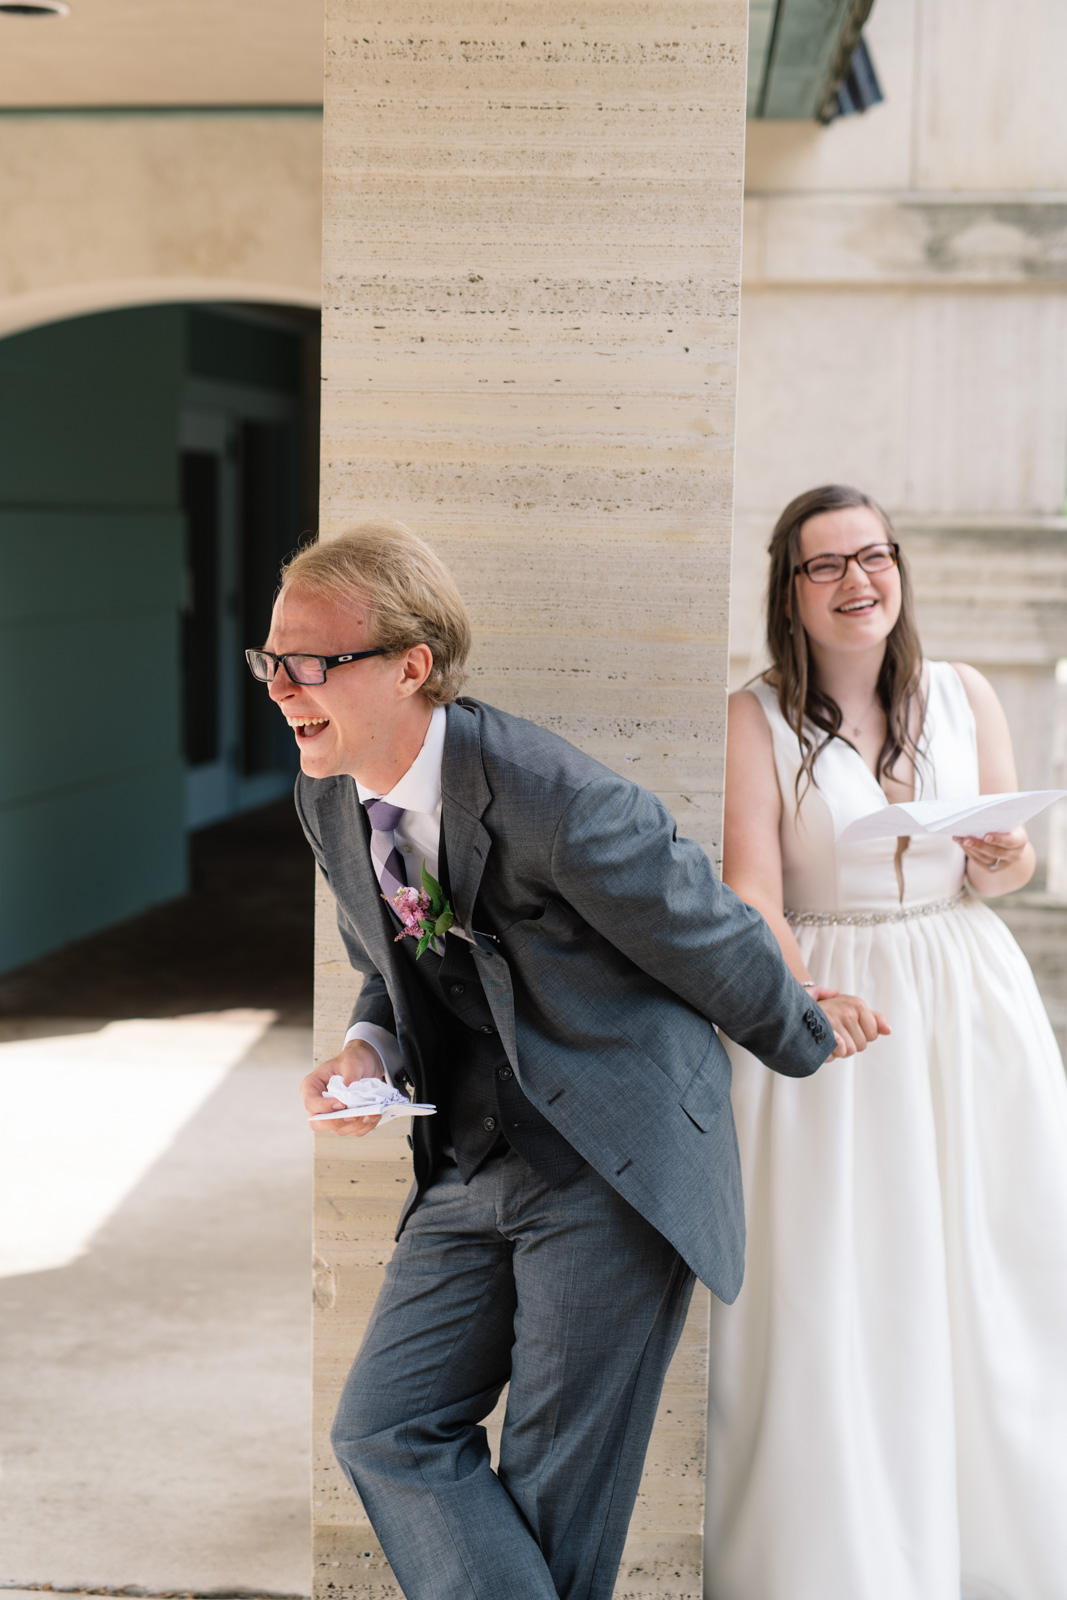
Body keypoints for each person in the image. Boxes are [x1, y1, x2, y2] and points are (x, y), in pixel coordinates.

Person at [246, 519, 880, 1600]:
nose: (283, 685)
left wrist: (806, 1025)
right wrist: (365, 1045)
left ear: (411, 664)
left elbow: (702, 927)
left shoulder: (556, 797)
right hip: (470, 1159)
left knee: (554, 1496)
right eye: (272, 660)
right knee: (384, 1427)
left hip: (611, 1164)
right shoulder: (327, 795)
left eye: (313, 661)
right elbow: (384, 961)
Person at [704, 484, 1067, 1600]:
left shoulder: (960, 693)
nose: (857, 581)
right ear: (789, 590)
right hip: (830, 1006)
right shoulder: (751, 717)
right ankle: (845, 1556)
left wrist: (1003, 857)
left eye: (873, 557)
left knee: (983, 1260)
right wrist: (800, 994)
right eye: (826, 565)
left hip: (963, 998)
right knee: (841, 1273)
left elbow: (1010, 870)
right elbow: (748, 887)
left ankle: (991, 1546)